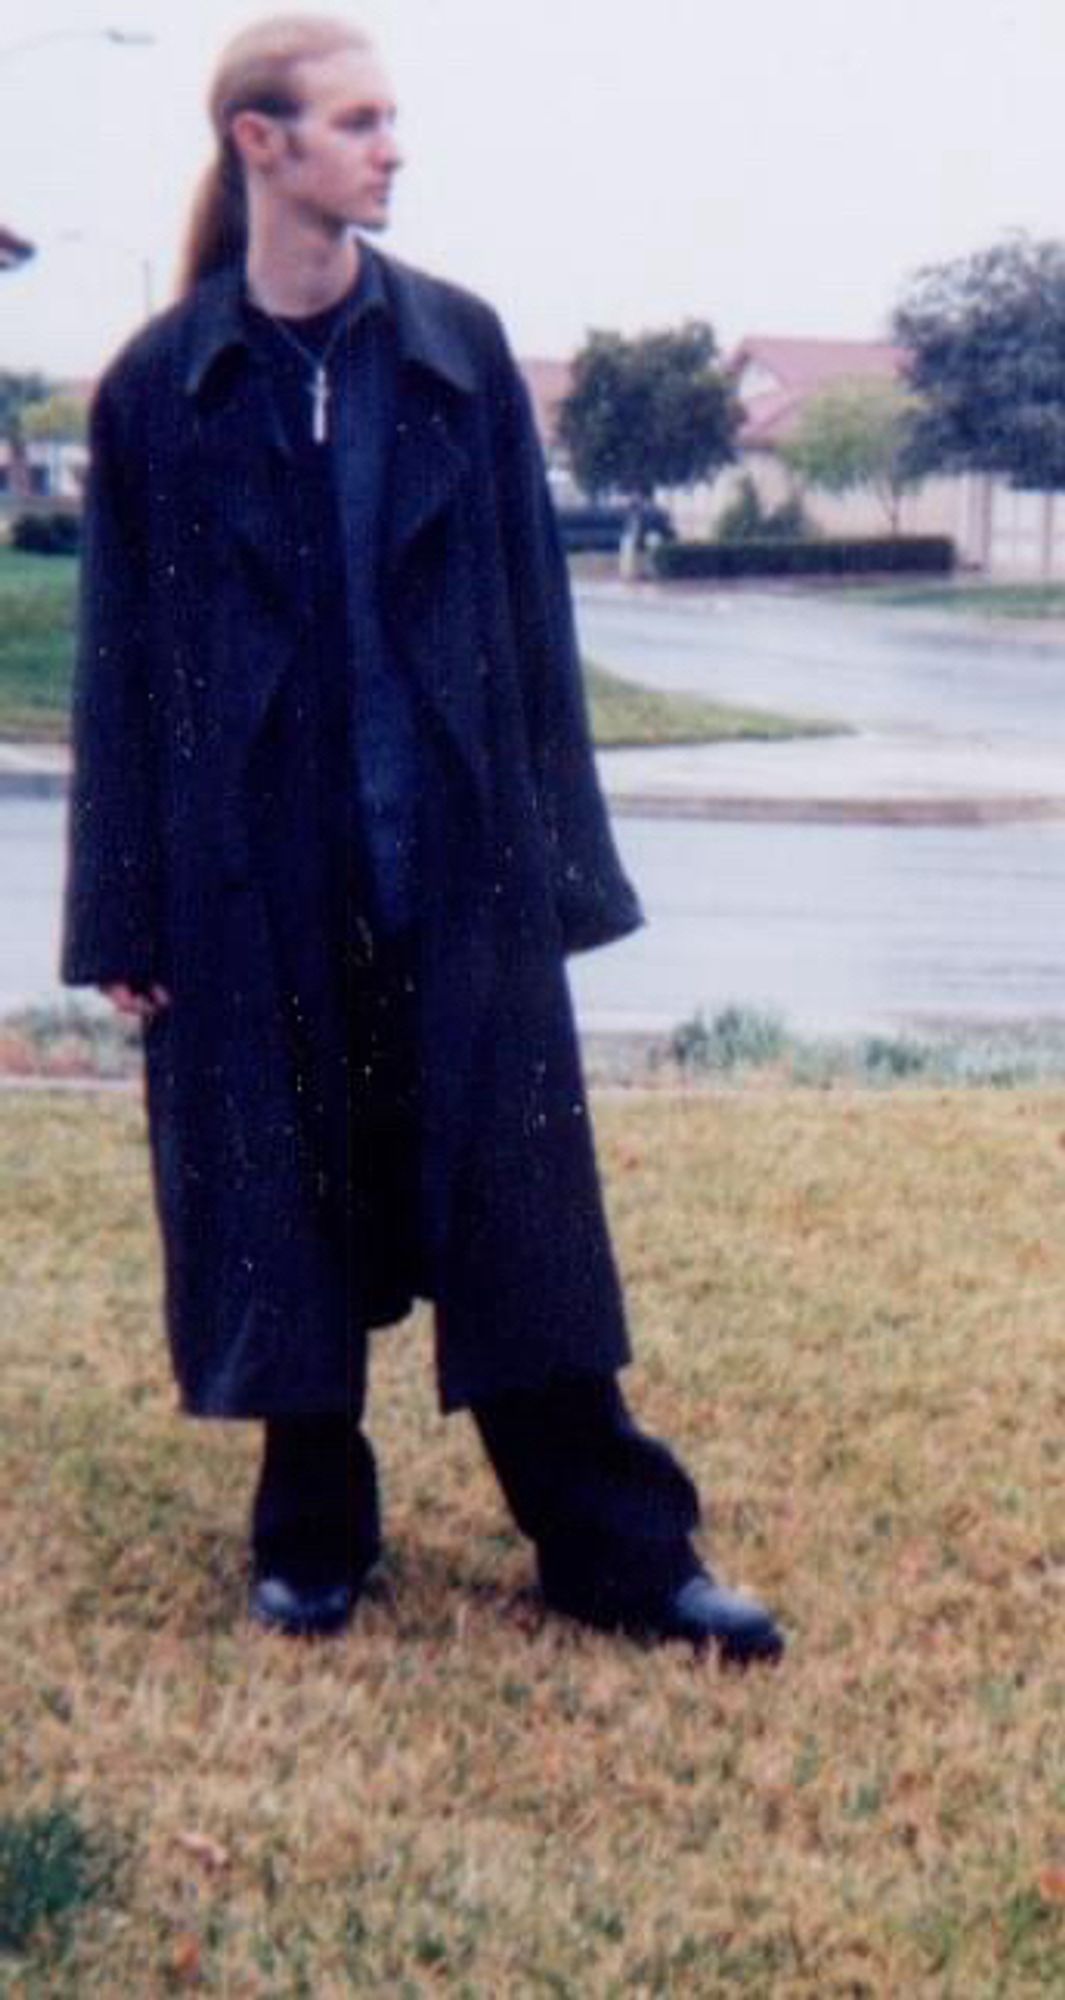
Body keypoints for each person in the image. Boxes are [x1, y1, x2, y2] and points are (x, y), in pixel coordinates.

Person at [62, 13, 783, 1665]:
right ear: (262, 143)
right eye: (358, 120)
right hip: (258, 892)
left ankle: (613, 1547)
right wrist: (125, 916)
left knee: (519, 1222)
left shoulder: (456, 355)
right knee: (280, 1203)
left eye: (392, 120)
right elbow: (122, 675)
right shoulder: (161, 396)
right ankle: (312, 1531)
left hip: (453, 880)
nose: (393, 147)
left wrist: (564, 882)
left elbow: (536, 643)